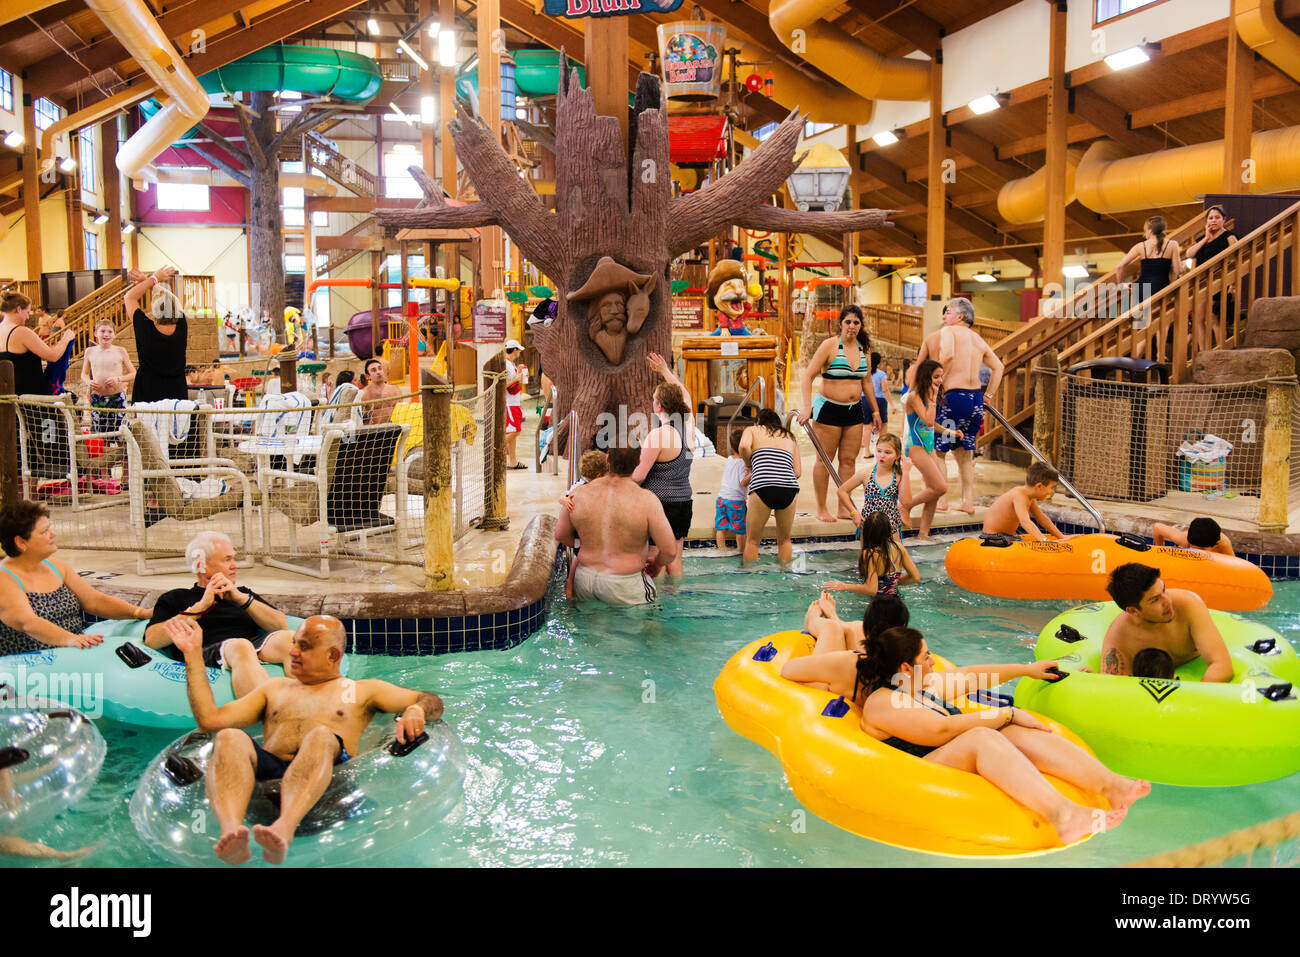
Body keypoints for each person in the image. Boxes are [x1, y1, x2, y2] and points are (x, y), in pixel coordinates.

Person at [167, 613, 443, 865]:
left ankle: (285, 828)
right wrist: (192, 655)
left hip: (328, 791)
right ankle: (232, 832)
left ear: (333, 655)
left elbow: (431, 700)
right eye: (295, 642)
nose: (293, 652)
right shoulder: (274, 689)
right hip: (267, 790)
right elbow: (209, 721)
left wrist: (415, 709)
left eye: (305, 646)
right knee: (229, 736)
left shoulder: (362, 691)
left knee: (321, 736)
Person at [853, 628, 1144, 843]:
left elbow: (973, 675)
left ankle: (1112, 786)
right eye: (926, 656)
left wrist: (1026, 670)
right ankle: (1063, 815)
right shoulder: (883, 702)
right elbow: (939, 731)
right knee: (983, 734)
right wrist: (1008, 713)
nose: (932, 662)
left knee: (1012, 730)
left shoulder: (921, 684)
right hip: (920, 769)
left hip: (949, 751)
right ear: (906, 667)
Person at [143, 531, 294, 698]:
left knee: (289, 640)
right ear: (201, 565)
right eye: (227, 560)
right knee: (240, 646)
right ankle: (273, 714)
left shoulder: (241, 593)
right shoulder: (176, 597)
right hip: (206, 651)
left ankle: (312, 708)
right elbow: (151, 639)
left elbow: (281, 625)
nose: (235, 565)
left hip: (248, 645)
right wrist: (199, 608)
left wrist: (242, 599)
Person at [0, 501, 151, 655]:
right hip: (32, 662)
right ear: (20, 542)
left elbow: (94, 601)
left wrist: (139, 613)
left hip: (76, 650)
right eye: (44, 532)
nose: (53, 534)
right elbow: (28, 623)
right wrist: (70, 639)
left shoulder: (56, 566)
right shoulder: (4, 578)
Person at [908, 298, 1004, 514]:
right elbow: (999, 367)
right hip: (975, 399)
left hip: (953, 397)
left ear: (959, 316)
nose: (944, 317)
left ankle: (941, 501)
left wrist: (939, 381)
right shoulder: (978, 339)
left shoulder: (949, 332)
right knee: (963, 453)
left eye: (948, 312)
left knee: (939, 452)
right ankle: (967, 501)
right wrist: (988, 395)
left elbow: (949, 354)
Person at [556, 443, 678, 606]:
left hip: (584, 579)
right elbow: (669, 550)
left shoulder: (578, 494)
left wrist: (585, 544)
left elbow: (561, 535)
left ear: (608, 459)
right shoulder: (646, 500)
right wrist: (657, 565)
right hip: (625, 583)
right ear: (638, 462)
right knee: (650, 626)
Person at [797, 305, 881, 522]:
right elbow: (807, 377)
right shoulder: (830, 346)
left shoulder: (865, 348)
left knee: (848, 460)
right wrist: (807, 407)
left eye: (856, 323)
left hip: (854, 411)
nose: (852, 326)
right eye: (848, 322)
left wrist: (876, 411)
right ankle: (822, 507)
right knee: (825, 460)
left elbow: (867, 382)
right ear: (841, 324)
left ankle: (844, 507)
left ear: (860, 326)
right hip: (829, 409)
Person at [1101, 562, 1233, 682]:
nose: (1167, 601)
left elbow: (1223, 666)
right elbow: (1113, 687)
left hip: (1198, 666)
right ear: (1133, 611)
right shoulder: (1119, 639)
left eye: (1164, 590)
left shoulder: (1188, 606)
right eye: (1155, 600)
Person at [631, 353, 695, 578]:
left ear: (658, 407)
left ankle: (654, 606)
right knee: (675, 559)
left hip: (659, 505)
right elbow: (685, 396)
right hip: (683, 502)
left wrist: (611, 479)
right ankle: (676, 601)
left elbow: (639, 476)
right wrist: (665, 371)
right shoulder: (687, 427)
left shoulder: (657, 436)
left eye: (654, 399)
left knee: (653, 557)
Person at [901, 359, 962, 542]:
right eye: (936, 377)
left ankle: (923, 534)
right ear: (926, 376)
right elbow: (926, 420)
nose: (940, 380)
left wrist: (950, 432)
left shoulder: (928, 394)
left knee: (934, 489)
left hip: (928, 447)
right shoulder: (914, 396)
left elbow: (931, 424)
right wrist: (934, 399)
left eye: (941, 377)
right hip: (915, 446)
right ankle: (905, 506)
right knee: (940, 487)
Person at [739, 408, 802, 566]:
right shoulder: (790, 436)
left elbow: (743, 447)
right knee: (785, 540)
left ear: (758, 421)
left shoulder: (753, 429)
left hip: (762, 485)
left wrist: (750, 464)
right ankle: (785, 577)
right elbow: (798, 472)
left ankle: (751, 583)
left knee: (752, 541)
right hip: (789, 487)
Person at [1116, 216, 1183, 359]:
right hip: (1162, 287)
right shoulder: (1172, 245)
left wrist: (1120, 284)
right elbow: (1178, 270)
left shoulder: (1141, 246)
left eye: (1145, 230)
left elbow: (1120, 266)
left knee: (1142, 326)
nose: (1144, 233)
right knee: (1162, 322)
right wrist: (1177, 279)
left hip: (1142, 289)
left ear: (1150, 230)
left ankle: (1133, 359)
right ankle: (1160, 354)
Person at [127, 265, 189, 403]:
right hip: (176, 392)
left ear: (155, 311)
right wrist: (149, 281)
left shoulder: (145, 329)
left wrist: (153, 279)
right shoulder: (181, 326)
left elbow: (129, 298)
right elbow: (174, 301)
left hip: (148, 393)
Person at [824, 511, 919, 597]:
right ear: (888, 531)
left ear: (867, 532)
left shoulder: (869, 553)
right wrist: (893, 582)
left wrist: (845, 586)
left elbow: (872, 590)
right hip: (897, 601)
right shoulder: (899, 547)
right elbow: (915, 577)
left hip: (878, 605)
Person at [796, 590, 910, 659]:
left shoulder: (853, 660)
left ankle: (813, 617)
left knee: (833, 627)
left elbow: (790, 670)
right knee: (845, 627)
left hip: (836, 686)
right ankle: (832, 615)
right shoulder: (905, 654)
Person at [0, 293, 75, 397]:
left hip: (10, 393)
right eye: (27, 312)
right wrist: (66, 338)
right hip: (31, 396)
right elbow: (53, 356)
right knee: (71, 399)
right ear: (18, 309)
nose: (27, 317)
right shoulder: (21, 331)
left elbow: (17, 361)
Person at [1186, 205, 1239, 352]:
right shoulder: (1202, 239)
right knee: (1199, 318)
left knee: (1214, 317)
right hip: (1201, 284)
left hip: (1220, 281)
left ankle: (1221, 348)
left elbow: (1236, 260)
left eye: (1217, 217)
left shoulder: (1229, 237)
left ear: (1224, 220)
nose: (1213, 220)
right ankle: (1203, 351)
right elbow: (1190, 255)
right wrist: (1206, 237)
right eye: (1210, 218)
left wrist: (1232, 285)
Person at [561, 449, 611, 598]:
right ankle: (570, 592)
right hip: (580, 536)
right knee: (577, 563)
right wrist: (564, 500)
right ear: (598, 476)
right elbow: (564, 497)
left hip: (583, 538)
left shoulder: (584, 484)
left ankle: (571, 593)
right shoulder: (580, 488)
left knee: (579, 562)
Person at [838, 432, 904, 536]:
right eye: (879, 451)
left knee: (894, 552)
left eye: (887, 452)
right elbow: (842, 491)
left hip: (891, 526)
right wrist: (854, 512)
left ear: (898, 455)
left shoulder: (899, 475)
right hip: (869, 526)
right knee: (868, 553)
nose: (882, 455)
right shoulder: (866, 473)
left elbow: (907, 501)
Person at [982, 462, 1065, 541]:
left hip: (1006, 536)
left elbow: (1041, 518)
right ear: (1039, 486)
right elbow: (1025, 522)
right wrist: (1044, 540)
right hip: (993, 537)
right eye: (1052, 487)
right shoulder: (1019, 495)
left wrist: (1061, 536)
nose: (1052, 491)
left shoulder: (1029, 496)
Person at [81, 319, 136, 436]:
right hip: (97, 398)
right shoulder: (89, 352)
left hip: (116, 397)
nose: (106, 334)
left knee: (120, 432)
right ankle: (105, 453)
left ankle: (121, 452)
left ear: (114, 334)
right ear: (96, 333)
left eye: (110, 332)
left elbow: (133, 373)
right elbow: (84, 374)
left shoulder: (120, 351)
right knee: (99, 432)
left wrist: (119, 379)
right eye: (102, 331)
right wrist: (88, 382)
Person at [715, 430, 749, 552]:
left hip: (721, 499)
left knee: (721, 528)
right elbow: (742, 482)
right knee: (740, 530)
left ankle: (722, 549)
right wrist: (751, 474)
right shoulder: (743, 463)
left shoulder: (729, 459)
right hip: (736, 502)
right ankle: (741, 550)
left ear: (730, 446)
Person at [862, 352, 896, 451]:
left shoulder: (864, 373)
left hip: (865, 399)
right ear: (878, 363)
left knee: (867, 426)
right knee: (883, 426)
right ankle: (881, 449)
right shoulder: (881, 374)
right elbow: (885, 390)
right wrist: (892, 405)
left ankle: (866, 451)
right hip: (879, 401)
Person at [1152, 518, 1234, 556]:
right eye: (1192, 547)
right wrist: (1160, 553)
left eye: (1201, 550)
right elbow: (1157, 528)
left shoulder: (1223, 545)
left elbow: (1235, 567)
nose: (1195, 552)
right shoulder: (1184, 539)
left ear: (1214, 546)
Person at [503, 339, 527, 469]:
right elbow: (503, 385)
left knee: (512, 432)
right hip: (510, 404)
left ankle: (513, 461)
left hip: (514, 402)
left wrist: (518, 375)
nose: (519, 352)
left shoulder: (511, 364)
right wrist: (516, 379)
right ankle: (495, 450)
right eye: (518, 350)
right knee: (516, 431)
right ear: (514, 350)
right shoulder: (506, 365)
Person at [358, 357, 401, 425]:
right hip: (375, 431)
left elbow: (402, 410)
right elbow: (358, 417)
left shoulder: (395, 390)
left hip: (395, 428)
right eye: (373, 370)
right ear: (368, 376)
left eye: (380, 368)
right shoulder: (364, 394)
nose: (378, 372)